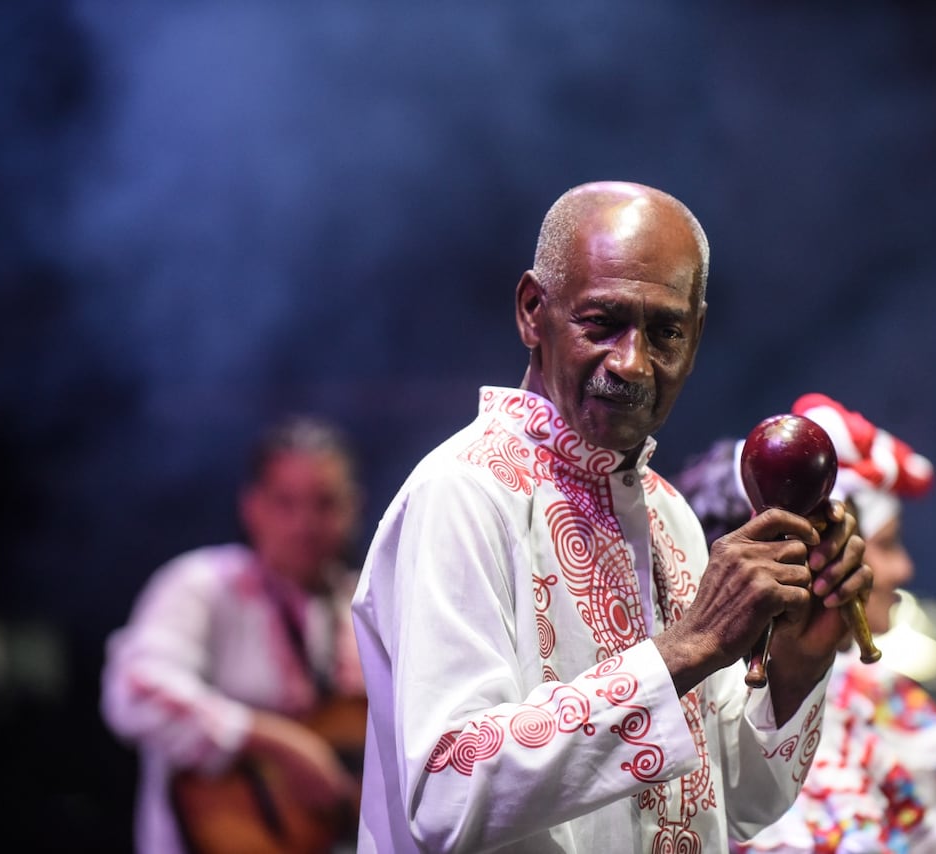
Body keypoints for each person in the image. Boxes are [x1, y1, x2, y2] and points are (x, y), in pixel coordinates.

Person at [350, 181, 873, 853]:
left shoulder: (668, 514)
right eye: (602, 322)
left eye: (666, 331)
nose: (631, 362)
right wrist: (685, 650)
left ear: (698, 331)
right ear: (533, 311)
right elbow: (448, 793)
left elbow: (738, 804)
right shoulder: (462, 494)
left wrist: (802, 655)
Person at [672, 393, 936, 854]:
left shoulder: (880, 701)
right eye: (886, 545)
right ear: (820, 552)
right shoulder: (714, 717)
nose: (903, 569)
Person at [101, 415, 368, 854]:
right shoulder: (202, 585)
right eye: (286, 503)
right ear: (252, 507)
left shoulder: (365, 601)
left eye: (324, 503)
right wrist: (274, 742)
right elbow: (134, 691)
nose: (305, 524)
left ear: (353, 507)